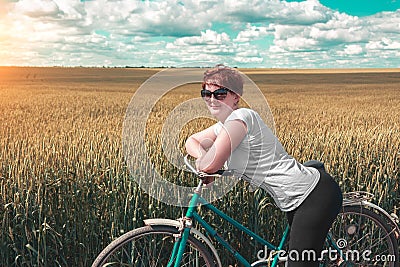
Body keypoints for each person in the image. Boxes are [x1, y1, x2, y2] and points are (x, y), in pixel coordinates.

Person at [185, 64, 343, 267]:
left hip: (311, 197)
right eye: (206, 93)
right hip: (293, 198)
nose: (212, 99)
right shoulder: (223, 125)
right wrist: (201, 157)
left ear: (236, 96)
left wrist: (205, 165)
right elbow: (192, 141)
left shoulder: (241, 119)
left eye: (220, 93)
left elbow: (211, 165)